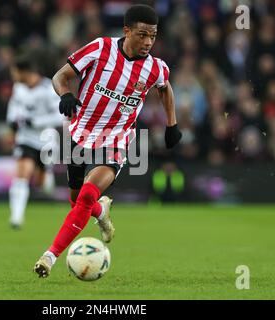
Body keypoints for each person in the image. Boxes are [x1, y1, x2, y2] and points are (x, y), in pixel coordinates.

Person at [34, 4, 182, 277]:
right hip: (79, 136)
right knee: (78, 199)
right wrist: (65, 94)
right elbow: (60, 76)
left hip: (115, 140)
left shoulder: (155, 68)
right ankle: (101, 212)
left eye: (153, 35)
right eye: (142, 35)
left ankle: (49, 257)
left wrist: (171, 124)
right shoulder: (100, 49)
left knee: (87, 195)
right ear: (126, 31)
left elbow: (165, 89)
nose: (148, 42)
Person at [7, 51, 63, 229]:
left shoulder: (48, 89)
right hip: (25, 139)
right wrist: (13, 120)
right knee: (22, 173)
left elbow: (61, 117)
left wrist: (35, 122)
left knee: (42, 185)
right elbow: (14, 108)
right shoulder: (18, 88)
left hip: (46, 141)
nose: (13, 75)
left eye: (16, 71)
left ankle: (47, 173)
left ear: (26, 71)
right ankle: (16, 218)